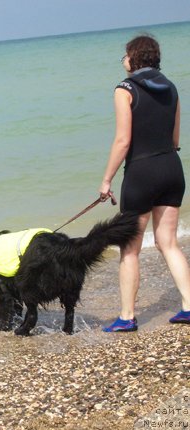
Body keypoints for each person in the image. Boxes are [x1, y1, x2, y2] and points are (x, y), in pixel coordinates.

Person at [99, 34, 190, 332]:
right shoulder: (171, 88)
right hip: (172, 169)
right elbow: (175, 139)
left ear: (134, 57)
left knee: (130, 250)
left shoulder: (124, 89)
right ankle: (189, 306)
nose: (123, 60)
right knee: (168, 243)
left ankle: (127, 316)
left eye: (125, 55)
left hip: (141, 173)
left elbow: (123, 140)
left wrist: (107, 179)